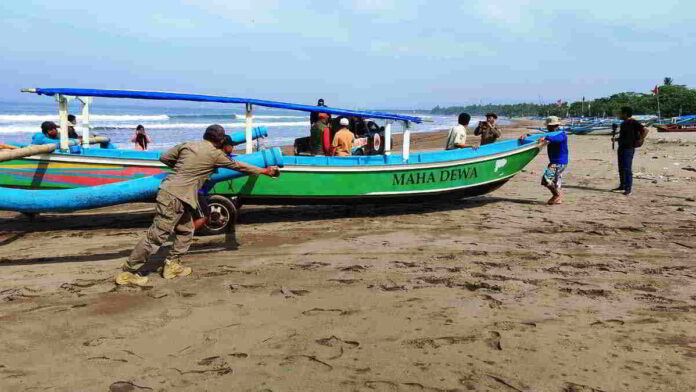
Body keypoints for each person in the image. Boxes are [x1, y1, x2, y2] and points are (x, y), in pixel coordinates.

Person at [116, 125, 280, 286]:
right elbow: (239, 166)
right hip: (176, 197)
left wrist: (184, 169)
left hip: (175, 194)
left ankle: (172, 265)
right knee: (156, 236)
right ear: (221, 140)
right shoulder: (215, 154)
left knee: (186, 230)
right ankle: (127, 273)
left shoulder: (187, 145)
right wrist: (265, 171)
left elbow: (164, 157)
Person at [612, 106, 646, 196]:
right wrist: (616, 140)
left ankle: (628, 188)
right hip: (622, 147)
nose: (620, 115)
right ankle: (622, 186)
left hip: (629, 148)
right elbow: (624, 136)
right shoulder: (623, 123)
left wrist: (640, 140)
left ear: (625, 114)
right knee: (621, 168)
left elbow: (645, 130)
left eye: (621, 113)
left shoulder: (633, 122)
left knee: (627, 169)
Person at [538, 116, 569, 205]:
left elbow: (558, 139)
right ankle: (558, 198)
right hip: (556, 162)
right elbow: (540, 136)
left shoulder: (561, 134)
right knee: (555, 181)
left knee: (545, 180)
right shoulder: (551, 134)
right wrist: (527, 136)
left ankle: (556, 195)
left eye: (548, 126)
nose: (547, 128)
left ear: (553, 126)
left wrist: (547, 138)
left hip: (558, 162)